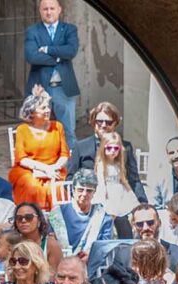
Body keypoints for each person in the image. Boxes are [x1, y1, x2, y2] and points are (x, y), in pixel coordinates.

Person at [66, 101, 147, 203]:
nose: (103, 125)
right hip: (88, 202)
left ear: (115, 123)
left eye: (108, 122)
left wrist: (143, 203)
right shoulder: (80, 147)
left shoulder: (125, 147)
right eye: (99, 121)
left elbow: (134, 180)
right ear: (93, 122)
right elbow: (70, 179)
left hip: (119, 201)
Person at [24, 0, 80, 149]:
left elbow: (71, 51)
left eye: (52, 9)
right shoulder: (33, 31)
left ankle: (71, 167)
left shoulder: (69, 29)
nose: (49, 12)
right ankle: (41, 165)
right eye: (45, 9)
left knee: (68, 131)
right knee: (38, 129)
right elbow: (31, 56)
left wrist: (48, 49)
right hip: (40, 87)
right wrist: (58, 58)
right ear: (40, 11)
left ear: (59, 10)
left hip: (64, 87)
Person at [8, 90, 70, 211]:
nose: (47, 110)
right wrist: (45, 169)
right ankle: (30, 216)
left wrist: (53, 168)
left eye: (48, 106)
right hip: (28, 170)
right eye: (43, 108)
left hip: (55, 169)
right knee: (32, 186)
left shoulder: (58, 126)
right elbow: (22, 159)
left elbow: (64, 155)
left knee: (56, 188)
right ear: (32, 113)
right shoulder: (22, 129)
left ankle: (57, 221)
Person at [48, 168, 113, 259]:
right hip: (61, 262)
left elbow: (104, 247)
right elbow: (49, 242)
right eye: (80, 190)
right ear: (73, 190)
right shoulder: (58, 214)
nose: (84, 194)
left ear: (94, 192)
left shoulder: (102, 217)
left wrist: (90, 255)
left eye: (89, 191)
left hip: (89, 263)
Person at [92, 132, 140, 220]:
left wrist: (130, 194)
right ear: (103, 148)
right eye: (109, 148)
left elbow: (123, 180)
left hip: (119, 192)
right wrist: (103, 198)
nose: (113, 151)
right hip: (108, 193)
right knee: (108, 216)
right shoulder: (102, 165)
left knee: (129, 212)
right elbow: (101, 183)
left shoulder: (118, 164)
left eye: (116, 148)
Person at [11, 202, 63, 273]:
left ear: (39, 220)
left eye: (29, 217)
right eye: (19, 218)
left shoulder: (51, 245)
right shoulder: (13, 244)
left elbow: (54, 276)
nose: (23, 220)